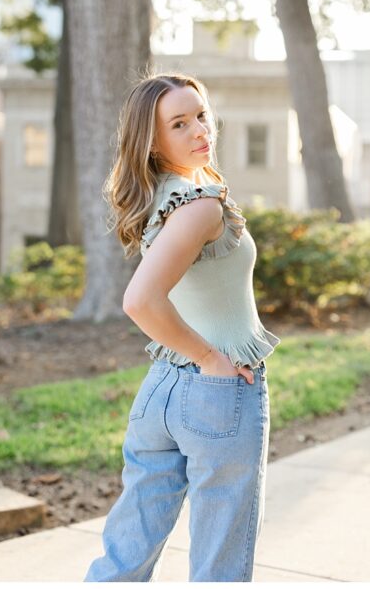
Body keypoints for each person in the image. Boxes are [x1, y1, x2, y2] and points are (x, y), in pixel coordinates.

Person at [85, 73, 281, 582]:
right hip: (215, 390)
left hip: (163, 393)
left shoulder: (167, 196)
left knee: (127, 552)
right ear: (152, 141)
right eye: (180, 123)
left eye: (201, 115)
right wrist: (212, 359)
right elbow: (140, 301)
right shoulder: (198, 206)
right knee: (220, 562)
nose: (200, 130)